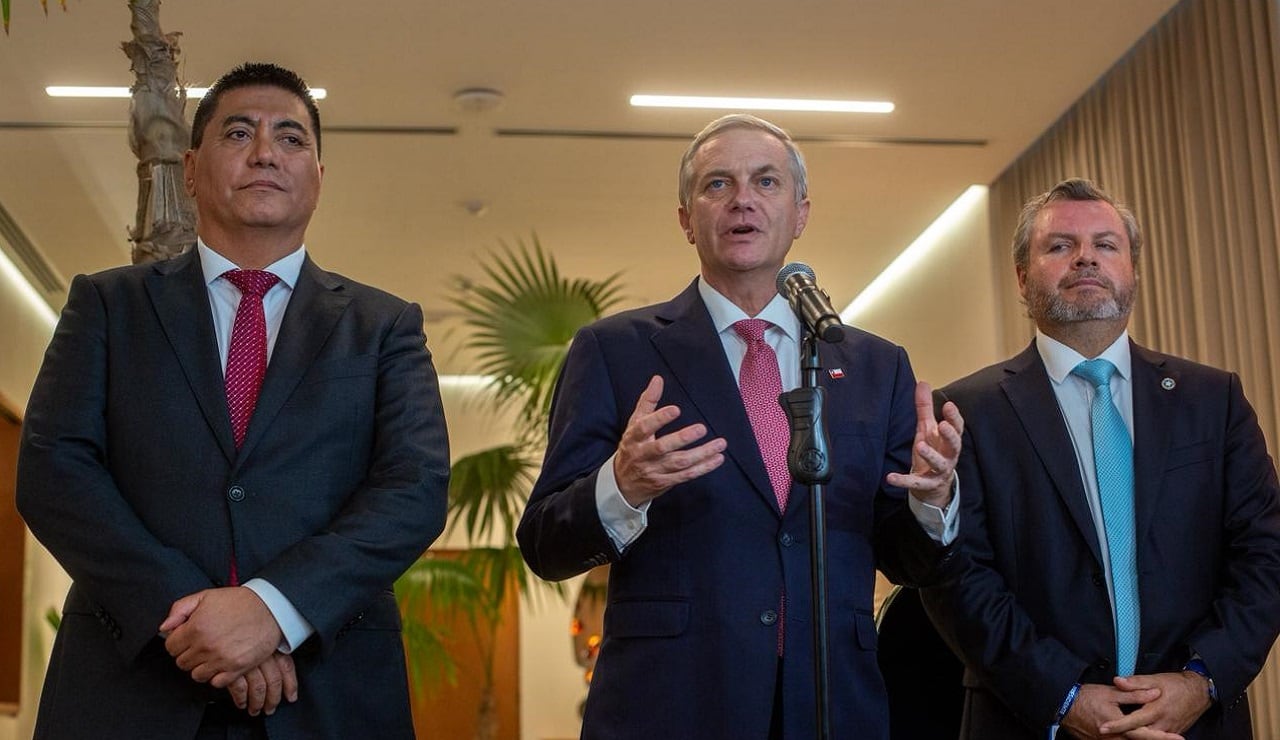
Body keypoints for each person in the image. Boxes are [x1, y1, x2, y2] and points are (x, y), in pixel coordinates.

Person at [17, 62, 450, 740]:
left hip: (327, 692)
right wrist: (196, 622)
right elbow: (54, 473)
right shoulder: (109, 306)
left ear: (318, 177)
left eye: (291, 138)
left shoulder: (384, 326)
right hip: (130, 690)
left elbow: (413, 488)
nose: (265, 153)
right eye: (239, 132)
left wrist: (273, 611)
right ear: (190, 169)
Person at [516, 113, 965, 739]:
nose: (743, 200)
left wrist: (934, 501)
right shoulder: (615, 352)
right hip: (673, 700)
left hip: (834, 702)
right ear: (685, 217)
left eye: (766, 182)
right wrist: (622, 487)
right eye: (717, 184)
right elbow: (544, 543)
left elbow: (906, 558)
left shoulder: (874, 366)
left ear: (801, 212)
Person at [921, 178, 1280, 740]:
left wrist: (1201, 680)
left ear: (1132, 270)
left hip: (1197, 723)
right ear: (1022, 276)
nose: (1085, 256)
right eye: (1060, 245)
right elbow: (958, 578)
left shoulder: (1213, 400)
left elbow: (1266, 555)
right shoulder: (966, 411)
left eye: (1106, 244)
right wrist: (1061, 696)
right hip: (1029, 721)